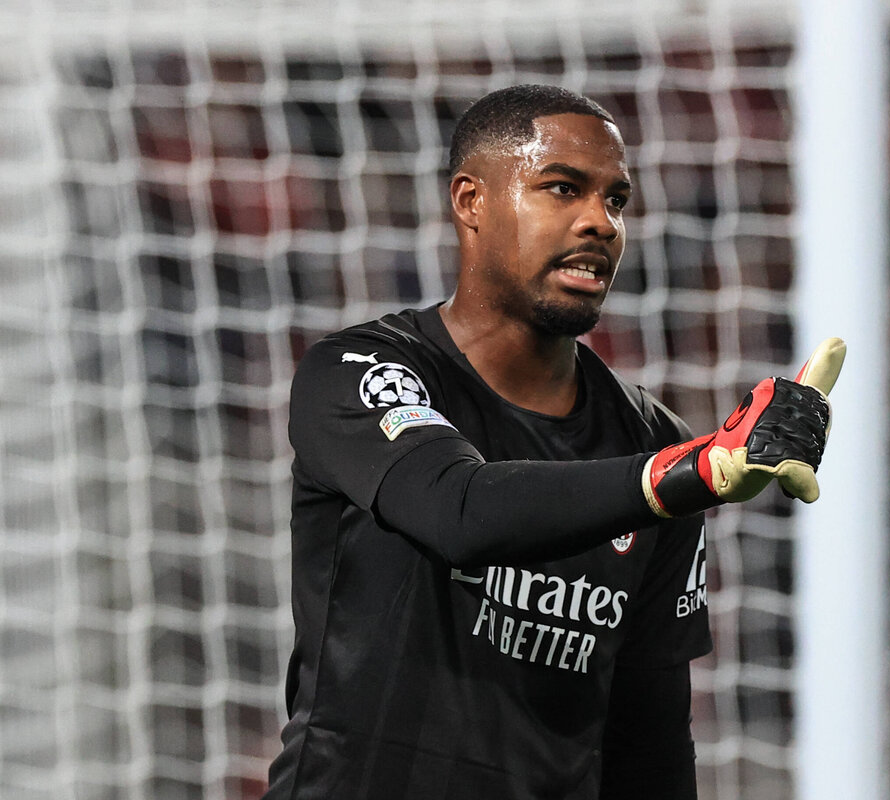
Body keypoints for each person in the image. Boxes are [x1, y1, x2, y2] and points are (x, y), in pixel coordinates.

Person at [263, 84, 842, 800]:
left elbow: (650, 740)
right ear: (470, 201)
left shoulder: (654, 440)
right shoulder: (362, 372)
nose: (599, 222)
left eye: (616, 201)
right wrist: (679, 477)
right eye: (562, 188)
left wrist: (681, 472)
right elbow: (459, 511)